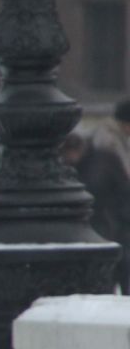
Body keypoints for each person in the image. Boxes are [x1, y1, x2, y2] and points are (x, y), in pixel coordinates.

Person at [74, 100, 130, 293]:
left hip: (113, 219)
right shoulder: (109, 145)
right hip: (111, 221)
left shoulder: (110, 141)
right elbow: (114, 185)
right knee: (118, 269)